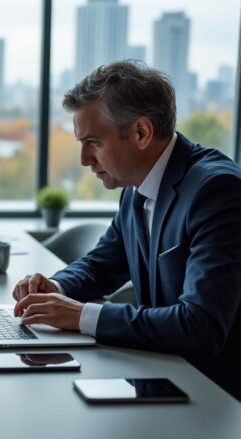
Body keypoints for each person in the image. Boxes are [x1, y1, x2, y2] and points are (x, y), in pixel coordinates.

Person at [12, 60, 241, 401]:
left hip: (212, 397)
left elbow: (199, 326)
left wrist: (83, 316)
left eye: (93, 142)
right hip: (158, 376)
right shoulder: (135, 187)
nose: (84, 159)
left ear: (141, 133)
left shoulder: (217, 191)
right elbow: (103, 264)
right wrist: (55, 287)